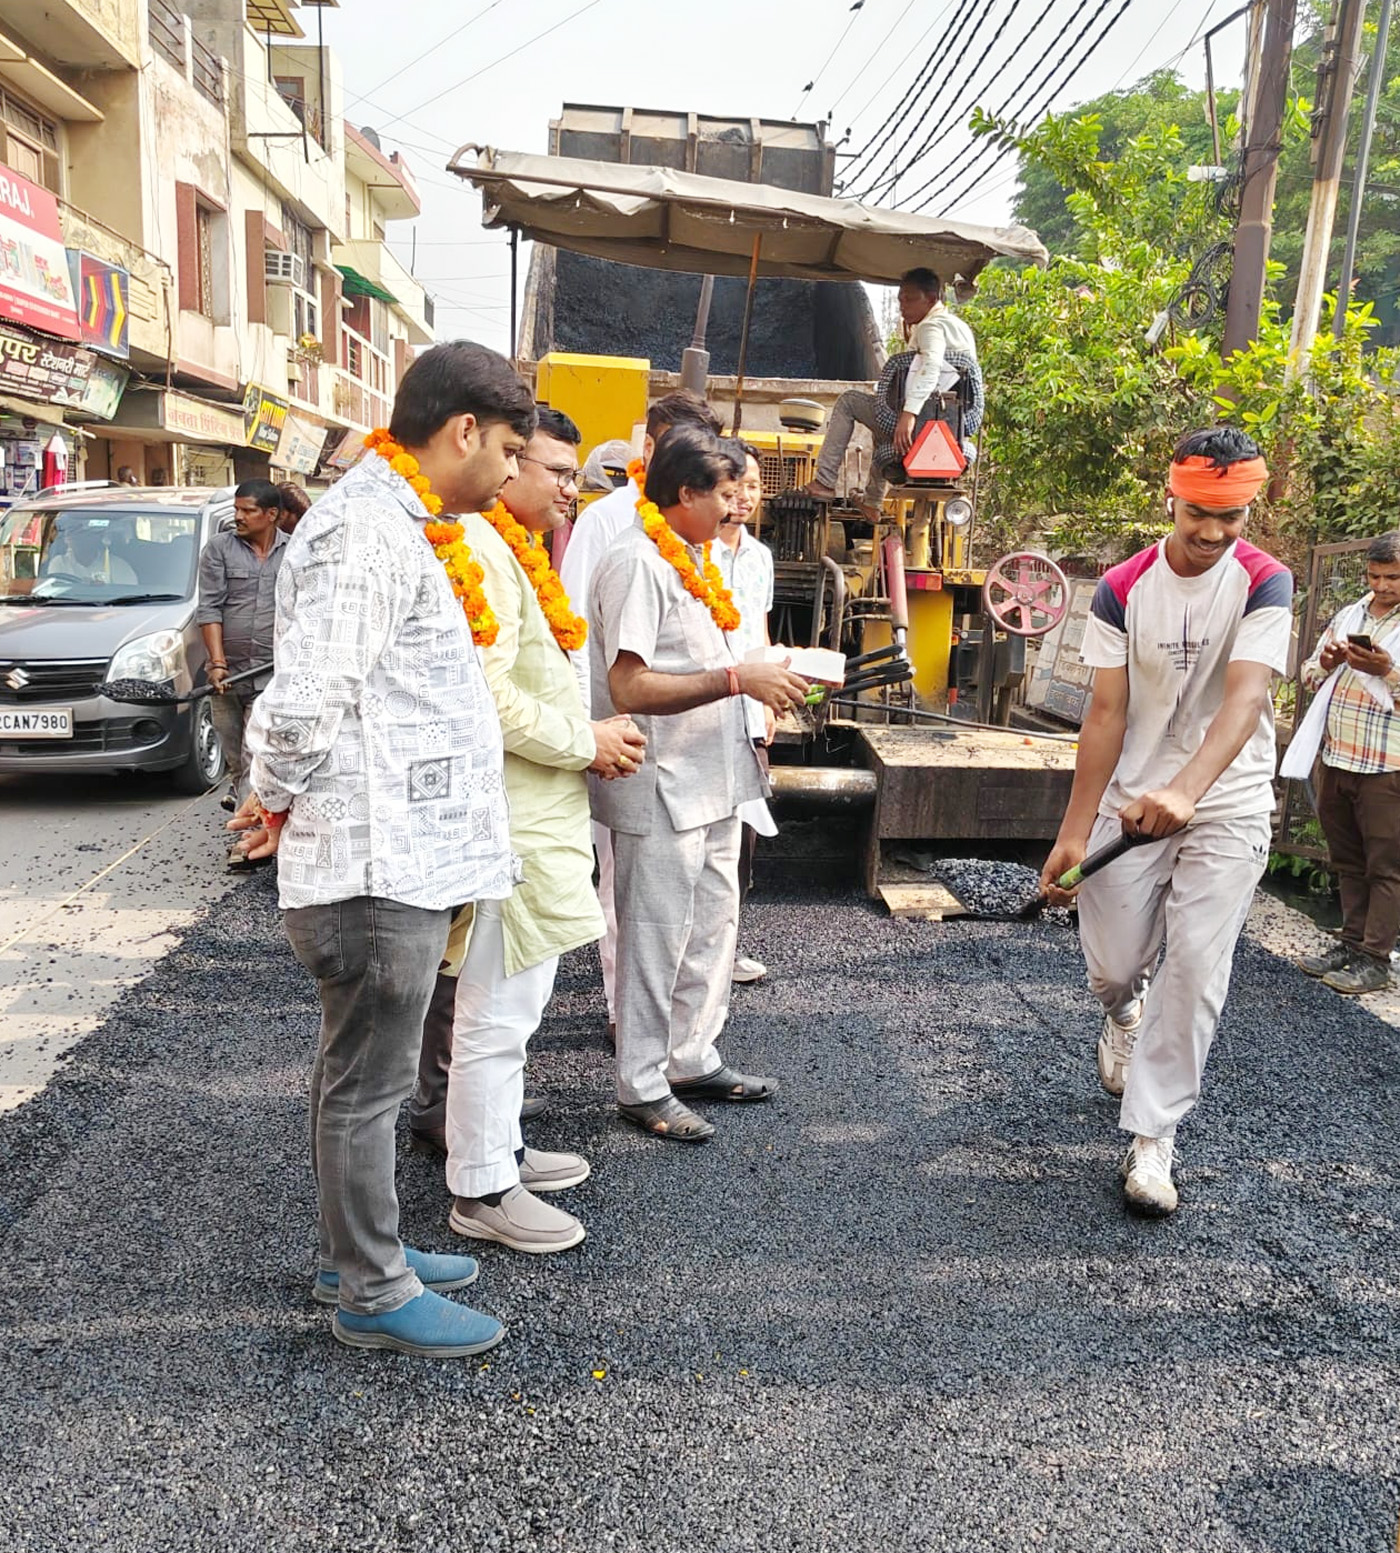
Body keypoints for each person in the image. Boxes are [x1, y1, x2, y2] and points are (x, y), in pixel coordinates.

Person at [229, 340, 536, 1359]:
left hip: (399, 850)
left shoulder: (396, 521)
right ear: (460, 431)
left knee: (357, 1075)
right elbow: (308, 695)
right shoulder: (367, 530)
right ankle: (371, 1285)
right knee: (368, 1083)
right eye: (504, 448)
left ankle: (353, 1248)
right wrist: (267, 798)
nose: (505, 472)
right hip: (373, 863)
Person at [1040, 427, 1290, 1218]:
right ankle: (1121, 1015)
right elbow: (1105, 712)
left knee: (1195, 966)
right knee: (1115, 966)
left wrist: (1189, 788)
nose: (1214, 531)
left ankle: (1154, 1138)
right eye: (1199, 513)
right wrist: (1075, 831)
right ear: (1170, 496)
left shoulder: (1266, 581)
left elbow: (1248, 697)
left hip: (1228, 798)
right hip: (1135, 795)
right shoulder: (1122, 586)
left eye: (1233, 515)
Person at [412, 407, 645, 1254]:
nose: (567, 488)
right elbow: (492, 698)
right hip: (511, 820)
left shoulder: (515, 550)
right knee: (496, 1012)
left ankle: (498, 1147)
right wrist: (590, 739)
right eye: (550, 467)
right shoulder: (479, 548)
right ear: (506, 466)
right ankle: (481, 1189)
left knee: (518, 1005)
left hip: (539, 815)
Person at [589, 427, 810, 1143]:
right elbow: (630, 683)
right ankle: (641, 1083)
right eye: (724, 491)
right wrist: (736, 678)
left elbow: (722, 659)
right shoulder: (636, 562)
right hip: (662, 783)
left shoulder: (695, 557)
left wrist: (764, 679)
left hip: (718, 775)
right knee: (655, 938)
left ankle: (691, 1056)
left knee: (713, 927)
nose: (738, 503)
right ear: (683, 494)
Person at [558, 389, 723, 1042]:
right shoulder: (612, 527)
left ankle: (674, 1034)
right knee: (624, 896)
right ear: (650, 449)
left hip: (691, 752)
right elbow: (573, 631)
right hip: (624, 742)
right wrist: (582, 735)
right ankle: (626, 1019)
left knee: (684, 904)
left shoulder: (699, 532)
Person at [1288, 532, 1400, 994]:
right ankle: (1351, 942)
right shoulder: (1351, 613)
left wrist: (1387, 672)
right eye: (1375, 576)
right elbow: (1308, 673)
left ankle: (1376, 956)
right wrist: (1329, 662)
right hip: (1338, 755)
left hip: (1388, 764)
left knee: (1387, 865)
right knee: (1347, 858)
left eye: (1393, 577)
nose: (1383, 586)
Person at [802, 267, 977, 520]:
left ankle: (825, 482)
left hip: (923, 425)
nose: (902, 307)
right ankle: (872, 501)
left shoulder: (931, 327)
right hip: (953, 429)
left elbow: (932, 367)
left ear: (931, 299)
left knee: (849, 402)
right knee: (881, 419)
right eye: (900, 300)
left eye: (909, 299)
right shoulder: (959, 328)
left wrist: (908, 414)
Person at [714, 442, 776, 985]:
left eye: (753, 487)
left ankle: (724, 949)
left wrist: (770, 701)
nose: (743, 498)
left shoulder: (761, 557)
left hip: (750, 710)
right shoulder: (690, 553)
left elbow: (760, 630)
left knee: (742, 842)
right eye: (733, 488)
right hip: (705, 706)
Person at [196, 479, 287, 834]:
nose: (239, 517)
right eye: (236, 509)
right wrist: (217, 663)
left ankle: (248, 840)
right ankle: (253, 819)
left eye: (247, 510)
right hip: (228, 676)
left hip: (272, 674)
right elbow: (209, 609)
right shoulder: (219, 549)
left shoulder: (293, 552)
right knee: (236, 759)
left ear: (272, 514)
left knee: (256, 754)